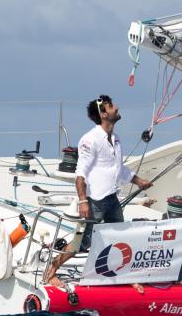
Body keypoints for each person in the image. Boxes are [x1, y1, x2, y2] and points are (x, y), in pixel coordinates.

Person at [45, 94, 152, 287]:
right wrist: (83, 201)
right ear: (103, 114)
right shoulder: (90, 140)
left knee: (118, 238)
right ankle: (51, 270)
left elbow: (118, 168)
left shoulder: (115, 139)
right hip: (94, 201)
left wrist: (138, 181)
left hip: (112, 198)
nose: (116, 107)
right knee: (81, 243)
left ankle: (121, 276)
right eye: (112, 106)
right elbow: (81, 174)